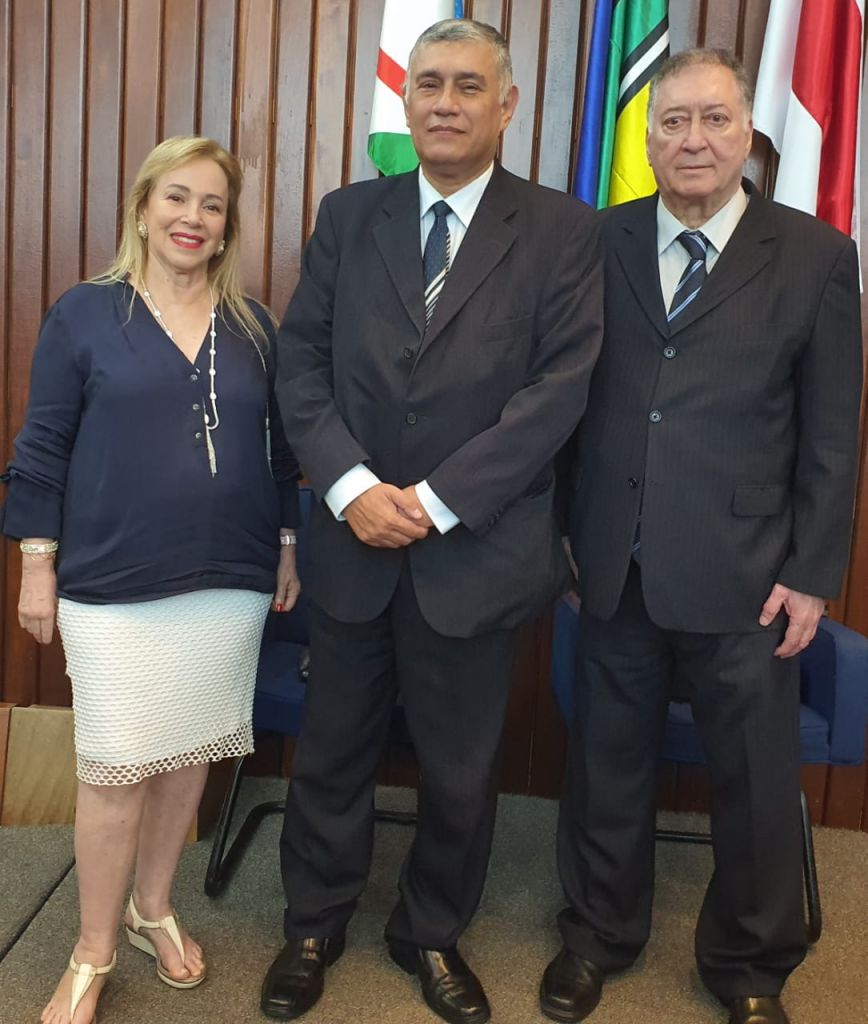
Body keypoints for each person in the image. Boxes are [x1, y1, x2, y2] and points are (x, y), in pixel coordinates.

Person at [260, 18, 602, 1024]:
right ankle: (313, 924)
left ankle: (431, 933)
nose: (445, 102)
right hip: (352, 541)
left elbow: (559, 390)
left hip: (477, 550)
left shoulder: (563, 230)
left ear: (508, 105)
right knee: (332, 751)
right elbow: (301, 363)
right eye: (428, 84)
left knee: (459, 769)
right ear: (406, 100)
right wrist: (349, 487)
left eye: (468, 86)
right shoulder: (348, 214)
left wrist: (439, 500)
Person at [540, 49, 863, 1024]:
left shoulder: (814, 255)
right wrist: (562, 540)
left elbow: (831, 432)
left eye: (714, 119)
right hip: (614, 562)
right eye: (673, 121)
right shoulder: (595, 241)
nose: (693, 139)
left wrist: (811, 573)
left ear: (746, 133)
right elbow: (561, 401)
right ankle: (597, 935)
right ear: (646, 141)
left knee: (756, 785)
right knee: (605, 767)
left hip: (749, 575)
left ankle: (750, 967)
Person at [1, 135, 300, 1024]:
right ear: (142, 208)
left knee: (188, 755)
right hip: (112, 584)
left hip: (229, 576)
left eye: (212, 205)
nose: (192, 218)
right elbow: (41, 448)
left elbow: (280, 454)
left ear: (228, 225)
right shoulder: (85, 314)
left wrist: (287, 544)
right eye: (177, 197)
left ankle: (152, 907)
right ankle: (92, 950)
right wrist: (36, 564)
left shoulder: (254, 327)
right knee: (115, 768)